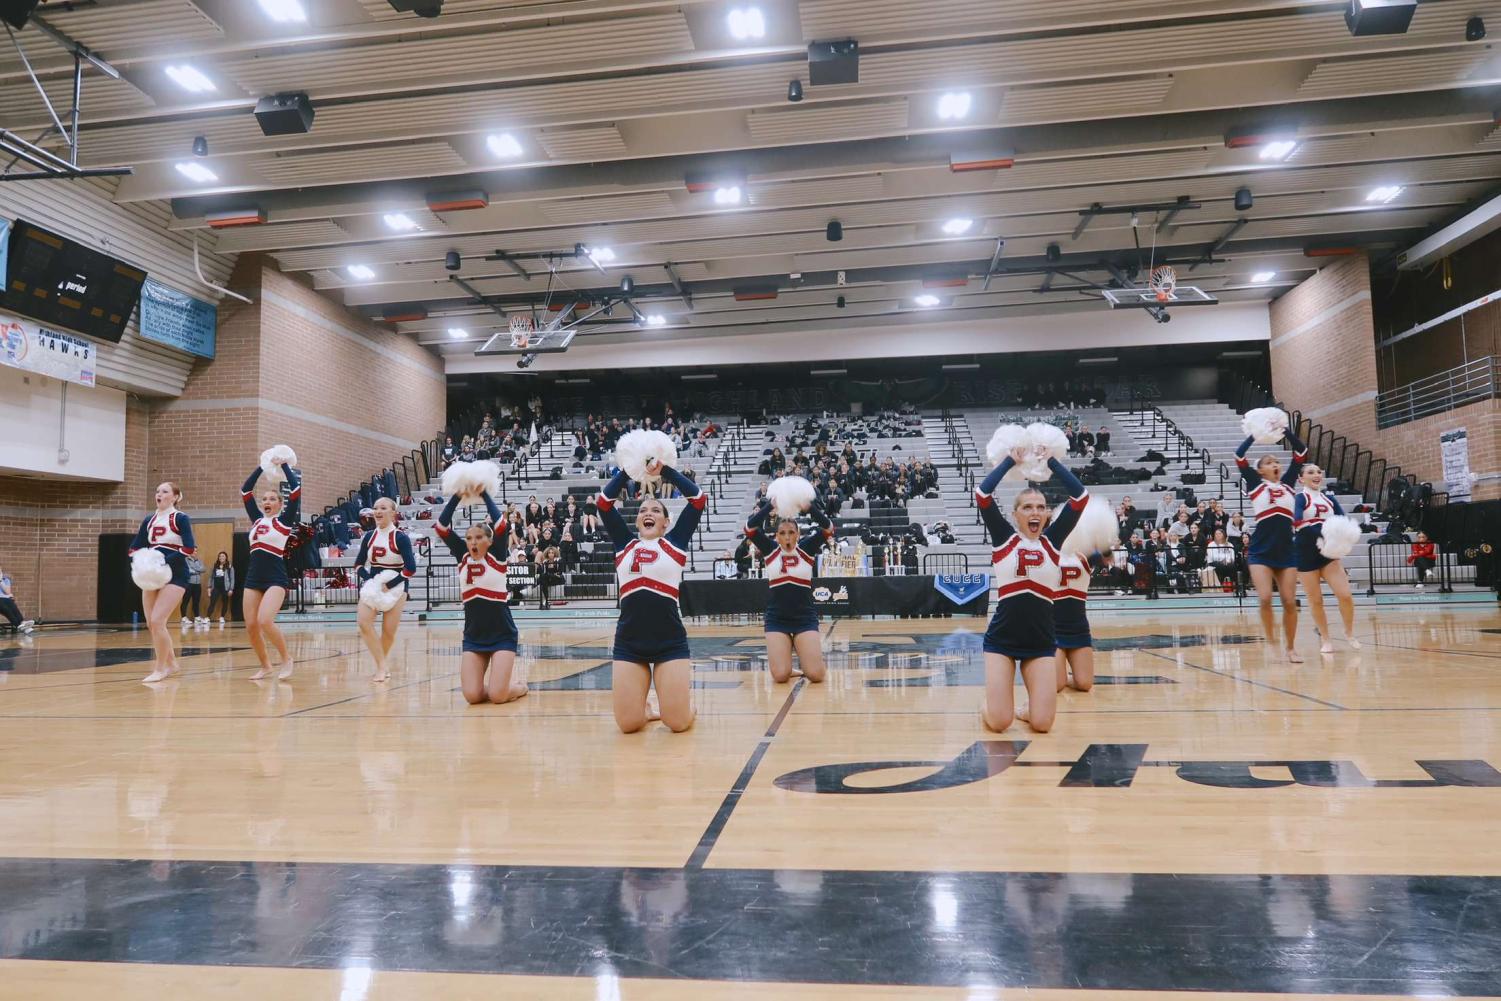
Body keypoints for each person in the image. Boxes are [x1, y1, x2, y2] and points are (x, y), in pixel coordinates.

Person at [975, 448, 1088, 734]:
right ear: (1015, 515)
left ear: (1048, 514)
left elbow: (1080, 497)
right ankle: (988, 707)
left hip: (1040, 641)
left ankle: (1026, 711)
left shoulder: (1053, 542)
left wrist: (1050, 461)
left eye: (1040, 507)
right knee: (1000, 722)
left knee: (1042, 724)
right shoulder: (1004, 540)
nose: (1034, 512)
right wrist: (1010, 461)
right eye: (1027, 507)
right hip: (1002, 639)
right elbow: (983, 495)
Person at [598, 459, 705, 734]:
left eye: (656, 510)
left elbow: (698, 499)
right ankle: (644, 708)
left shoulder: (675, 543)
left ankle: (683, 706)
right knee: (629, 725)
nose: (649, 512)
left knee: (677, 723)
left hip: (669, 641)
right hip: (629, 643)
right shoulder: (625, 544)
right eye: (644, 509)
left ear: (666, 522)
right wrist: (628, 471)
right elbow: (604, 504)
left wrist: (665, 471)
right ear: (637, 519)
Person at [435, 490, 527, 705]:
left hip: (502, 634)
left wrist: (484, 494)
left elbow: (502, 524)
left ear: (489, 540)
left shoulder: (497, 555)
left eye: (478, 538)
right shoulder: (462, 554)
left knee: (497, 696)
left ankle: (517, 688)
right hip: (474, 635)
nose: (473, 542)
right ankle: (498, 686)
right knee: (473, 697)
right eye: (469, 538)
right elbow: (441, 527)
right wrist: (457, 496)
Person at [744, 496, 834, 684]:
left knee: (816, 675)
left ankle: (810, 659)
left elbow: (828, 529)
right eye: (782, 533)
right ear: (776, 536)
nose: (787, 537)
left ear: (798, 534)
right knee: (780, 676)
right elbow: (749, 528)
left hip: (804, 618)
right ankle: (790, 665)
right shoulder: (770, 550)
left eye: (791, 532)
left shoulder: (806, 549)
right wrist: (769, 506)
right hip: (777, 619)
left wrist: (810, 508)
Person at [1235, 427, 1307, 661]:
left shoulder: (1287, 484)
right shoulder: (1256, 484)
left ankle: (1291, 647)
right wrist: (1255, 435)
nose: (1275, 464)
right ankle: (1272, 639)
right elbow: (1239, 456)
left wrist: (1285, 431)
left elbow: (1301, 451)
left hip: (1286, 550)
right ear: (1260, 470)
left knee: (1289, 602)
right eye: (1269, 462)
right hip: (1260, 550)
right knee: (1265, 597)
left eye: (1277, 461)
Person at [129, 482, 197, 682]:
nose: (159, 494)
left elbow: (189, 548)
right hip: (152, 575)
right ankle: (172, 663)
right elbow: (135, 546)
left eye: (165, 491)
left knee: (158, 621)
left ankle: (160, 668)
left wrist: (163, 561)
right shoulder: (149, 520)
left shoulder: (180, 518)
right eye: (157, 491)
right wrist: (140, 561)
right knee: (152, 623)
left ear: (175, 497)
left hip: (175, 574)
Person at [240, 462, 301, 680]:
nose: (267, 502)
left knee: (265, 620)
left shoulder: (284, 522)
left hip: (275, 577)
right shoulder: (256, 520)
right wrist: (261, 466)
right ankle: (265, 665)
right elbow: (245, 490)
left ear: (280, 504)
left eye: (272, 499)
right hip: (253, 577)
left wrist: (284, 465)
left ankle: (286, 659)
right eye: (264, 499)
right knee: (251, 626)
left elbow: (295, 490)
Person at [1294, 465, 1359, 654]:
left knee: (1345, 595)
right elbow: (1297, 521)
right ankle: (1325, 639)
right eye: (1311, 472)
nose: (1316, 475)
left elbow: (1344, 521)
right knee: (1316, 600)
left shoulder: (1330, 499)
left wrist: (1343, 539)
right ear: (1301, 479)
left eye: (1319, 472)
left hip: (1328, 554)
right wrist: (1323, 534)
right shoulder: (1300, 498)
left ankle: (1348, 632)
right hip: (1305, 554)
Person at [355, 496, 416, 683]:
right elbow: (358, 564)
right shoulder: (369, 536)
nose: (378, 511)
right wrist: (370, 580)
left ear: (393, 513)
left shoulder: (401, 538)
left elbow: (410, 568)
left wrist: (390, 585)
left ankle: (381, 665)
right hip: (374, 585)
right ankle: (382, 666)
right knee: (363, 622)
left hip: (396, 587)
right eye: (375, 508)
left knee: (388, 631)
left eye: (383, 508)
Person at [0, 566, 34, 635]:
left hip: (5, 599)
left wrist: (0, 580)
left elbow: (7, 592)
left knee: (11, 603)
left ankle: (22, 624)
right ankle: (19, 625)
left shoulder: (5, 580)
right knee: (6, 607)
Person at [205, 551, 235, 624]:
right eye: (220, 556)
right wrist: (209, 587)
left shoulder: (229, 566)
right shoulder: (215, 566)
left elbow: (232, 578)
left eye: (223, 556)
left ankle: (222, 617)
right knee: (212, 602)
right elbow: (211, 577)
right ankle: (207, 617)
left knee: (225, 602)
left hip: (225, 588)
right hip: (216, 587)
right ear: (218, 558)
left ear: (226, 558)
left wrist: (231, 589)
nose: (221, 557)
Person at [179, 553, 206, 627]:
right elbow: (188, 570)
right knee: (185, 601)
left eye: (196, 551)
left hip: (197, 584)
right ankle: (184, 618)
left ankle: (197, 617)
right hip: (188, 584)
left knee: (196, 601)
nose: (195, 552)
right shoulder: (185, 560)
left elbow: (203, 569)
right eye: (193, 551)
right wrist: (197, 570)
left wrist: (194, 568)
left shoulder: (199, 561)